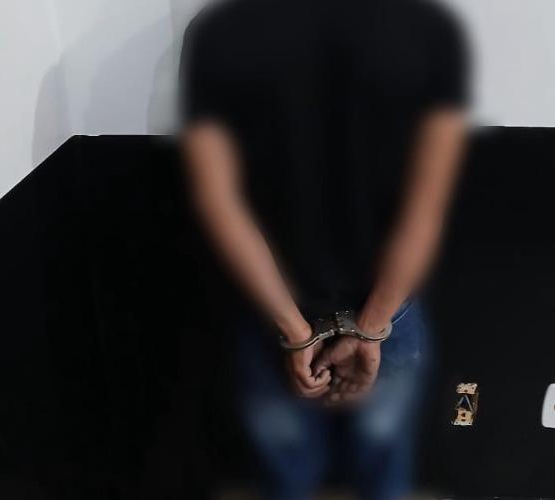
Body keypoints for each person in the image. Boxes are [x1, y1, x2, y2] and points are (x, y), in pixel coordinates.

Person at [180, 0, 468, 498]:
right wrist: (372, 328)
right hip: (385, 316)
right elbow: (425, 208)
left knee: (286, 470)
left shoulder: (220, 32)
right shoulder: (429, 31)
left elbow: (219, 201)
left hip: (272, 315)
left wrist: (295, 332)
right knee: (380, 466)